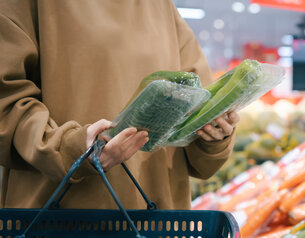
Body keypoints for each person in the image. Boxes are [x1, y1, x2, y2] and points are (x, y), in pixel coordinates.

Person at [0, 0, 237, 210]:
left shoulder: (161, 7)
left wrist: (213, 135)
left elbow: (197, 107)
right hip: (58, 228)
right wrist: (71, 148)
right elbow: (6, 102)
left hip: (157, 232)